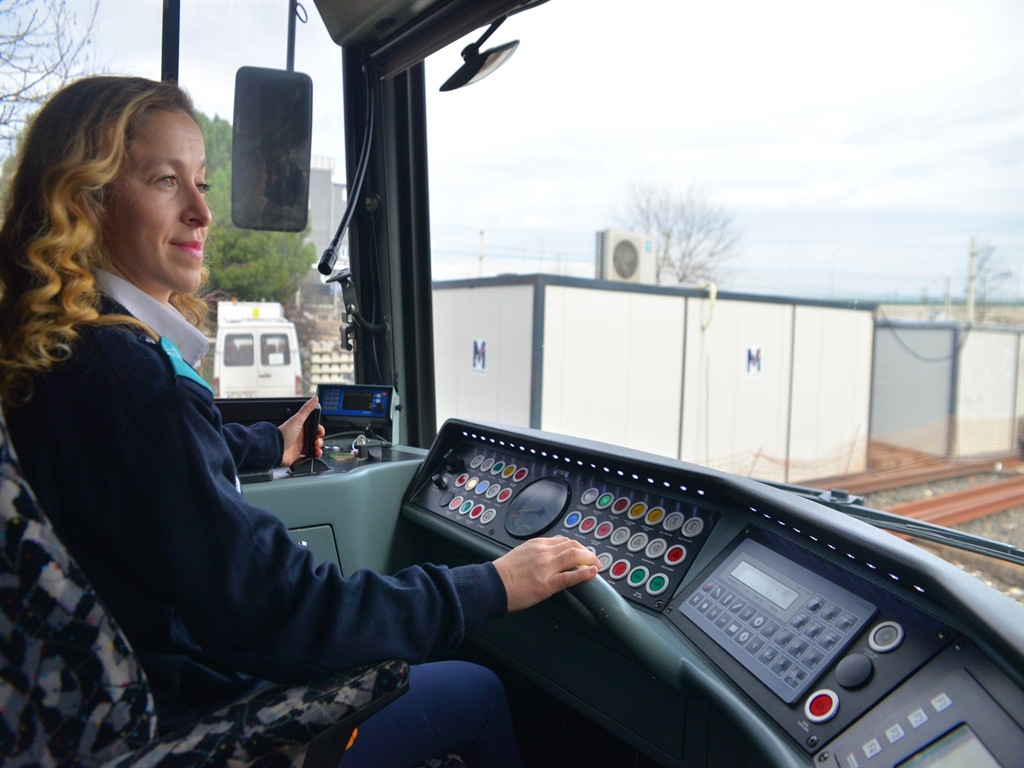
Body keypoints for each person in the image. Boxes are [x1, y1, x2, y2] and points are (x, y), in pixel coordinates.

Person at [0, 76, 600, 768]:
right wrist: (489, 584)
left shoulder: (62, 354)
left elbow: (154, 466)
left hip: (110, 704)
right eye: (166, 181)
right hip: (191, 720)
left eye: (202, 183)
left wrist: (267, 445)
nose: (202, 212)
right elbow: (277, 610)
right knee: (476, 690)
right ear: (86, 197)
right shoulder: (130, 377)